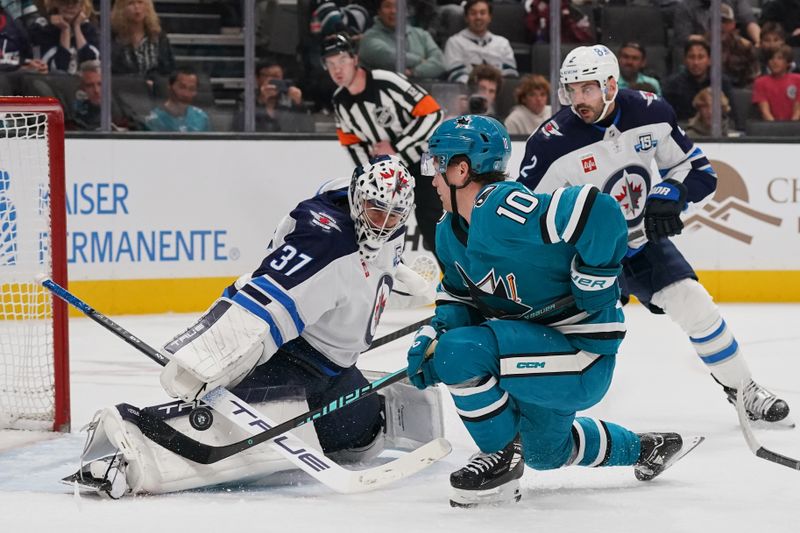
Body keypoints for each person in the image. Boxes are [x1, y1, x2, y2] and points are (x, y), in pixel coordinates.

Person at [66, 155, 444, 497]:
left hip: (337, 371)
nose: (382, 223)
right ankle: (120, 449)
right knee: (224, 430)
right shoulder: (325, 243)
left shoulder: (366, 211)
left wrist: (397, 274)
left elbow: (358, 270)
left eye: (393, 215)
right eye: (375, 210)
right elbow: (265, 299)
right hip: (291, 360)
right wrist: (207, 357)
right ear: (357, 198)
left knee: (362, 435)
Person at [407, 114, 702, 508]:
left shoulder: (500, 206)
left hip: (579, 351)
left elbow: (601, 212)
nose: (432, 179)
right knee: (546, 453)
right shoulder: (448, 231)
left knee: (460, 353)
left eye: (437, 167)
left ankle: (500, 456)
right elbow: (461, 298)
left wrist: (595, 278)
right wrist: (436, 333)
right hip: (532, 350)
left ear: (462, 169)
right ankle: (647, 447)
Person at [517, 45, 790, 425]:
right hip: (582, 258)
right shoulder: (551, 143)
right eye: (572, 90)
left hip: (639, 244)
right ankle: (533, 417)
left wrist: (672, 194)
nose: (579, 99)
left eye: (588, 89)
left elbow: (698, 172)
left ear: (611, 84)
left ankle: (743, 389)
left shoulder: (651, 112)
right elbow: (524, 214)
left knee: (694, 302)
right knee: (563, 342)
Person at [323, 32, 444, 254]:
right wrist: (368, 173)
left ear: (355, 59)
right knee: (377, 224)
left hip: (425, 160)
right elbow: (352, 144)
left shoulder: (386, 81)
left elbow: (433, 114)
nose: (337, 70)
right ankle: (385, 281)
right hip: (390, 173)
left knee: (432, 221)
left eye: (342, 61)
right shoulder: (340, 101)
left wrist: (396, 147)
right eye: (330, 64)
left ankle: (459, 282)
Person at [358, 0, 445, 79]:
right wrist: (420, 61)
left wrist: (413, 72)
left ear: (406, 11)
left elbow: (440, 62)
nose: (393, 11)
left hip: (425, 91)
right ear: (379, 12)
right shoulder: (368, 38)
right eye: (387, 6)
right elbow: (387, 56)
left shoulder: (422, 35)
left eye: (398, 6)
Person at [443, 0, 518, 83]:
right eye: (473, 13)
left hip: (498, 92)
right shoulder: (454, 42)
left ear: (490, 17)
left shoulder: (503, 43)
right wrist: (479, 87)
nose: (478, 17)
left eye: (482, 13)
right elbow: (456, 74)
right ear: (466, 18)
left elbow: (510, 73)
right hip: (466, 91)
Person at [663, 38, 733, 121]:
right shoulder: (673, 85)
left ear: (709, 60)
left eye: (701, 57)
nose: (696, 62)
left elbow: (731, 117)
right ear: (685, 60)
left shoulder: (721, 82)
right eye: (691, 57)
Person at [29, 0, 99, 74]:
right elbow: (56, 68)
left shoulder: (87, 27)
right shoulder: (42, 27)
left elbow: (92, 64)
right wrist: (65, 30)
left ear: (81, 5)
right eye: (64, 2)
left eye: (75, 2)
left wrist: (77, 27)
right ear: (55, 3)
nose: (70, 6)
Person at [234, 59, 305, 132]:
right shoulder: (246, 97)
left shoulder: (289, 98)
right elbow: (239, 126)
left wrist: (298, 104)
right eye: (266, 76)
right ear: (257, 78)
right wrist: (261, 101)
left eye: (276, 76)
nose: (271, 80)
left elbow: (307, 128)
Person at [110, 0, 174, 79]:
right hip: (123, 89)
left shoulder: (159, 37)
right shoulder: (114, 38)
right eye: (131, 3)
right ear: (121, 9)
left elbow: (168, 71)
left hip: (154, 88)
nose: (137, 7)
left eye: (140, 2)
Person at [144, 67, 211, 132]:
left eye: (191, 89)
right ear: (170, 86)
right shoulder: (154, 120)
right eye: (182, 87)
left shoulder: (201, 118)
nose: (186, 94)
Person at [674, 0, 760, 47]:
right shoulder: (684, 7)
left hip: (732, 48)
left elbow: (749, 21)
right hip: (702, 48)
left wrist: (758, 41)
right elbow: (684, 37)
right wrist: (711, 38)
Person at [752, 44, 800, 121]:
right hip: (771, 127)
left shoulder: (798, 80)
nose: (774, 62)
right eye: (771, 58)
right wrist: (776, 128)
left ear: (788, 62)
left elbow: (798, 111)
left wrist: (791, 128)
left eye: (779, 58)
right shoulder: (760, 82)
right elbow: (765, 112)